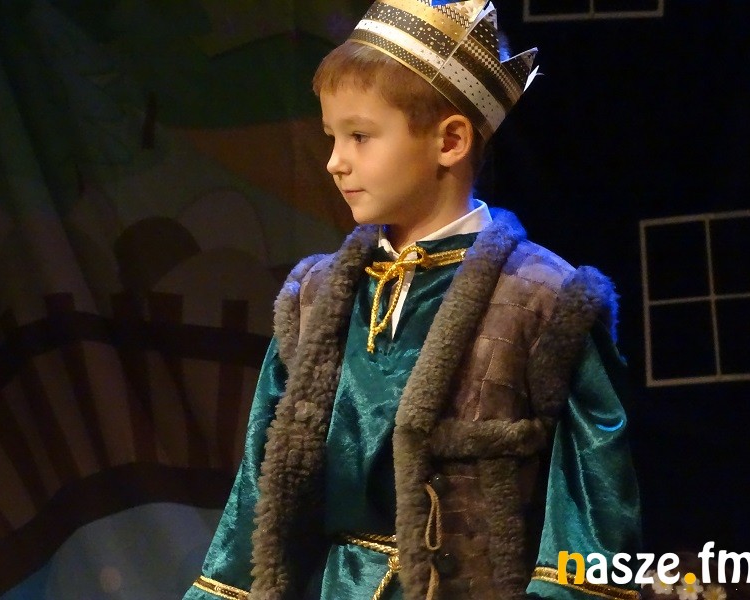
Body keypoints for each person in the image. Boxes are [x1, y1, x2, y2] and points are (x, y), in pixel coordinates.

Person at [184, 1, 641, 598]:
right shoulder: (315, 298)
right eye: (332, 137)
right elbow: (258, 496)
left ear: (450, 140)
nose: (335, 162)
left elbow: (590, 513)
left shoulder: (545, 299)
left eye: (360, 136)